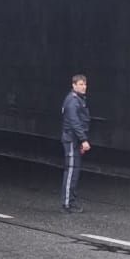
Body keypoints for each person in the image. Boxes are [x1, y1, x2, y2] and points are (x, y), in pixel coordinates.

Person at [60, 74, 90, 213]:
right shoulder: (73, 101)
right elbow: (75, 122)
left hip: (74, 140)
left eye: (84, 84)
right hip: (72, 140)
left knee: (74, 171)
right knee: (71, 171)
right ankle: (67, 204)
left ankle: (71, 201)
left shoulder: (78, 100)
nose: (83, 87)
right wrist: (83, 139)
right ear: (73, 85)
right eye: (80, 84)